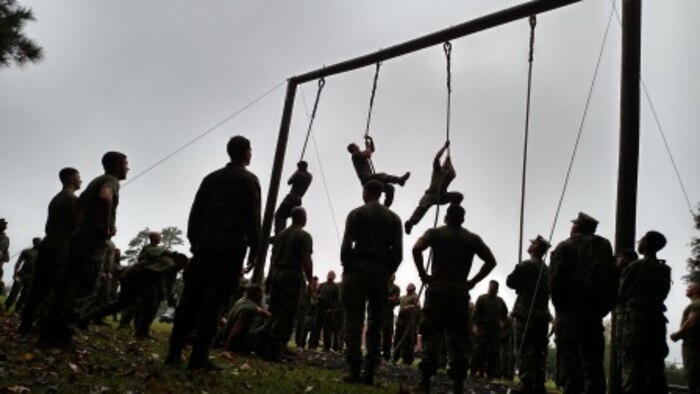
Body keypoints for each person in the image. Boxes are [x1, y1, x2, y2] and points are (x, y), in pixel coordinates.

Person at [166, 136, 260, 371]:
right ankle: (199, 356)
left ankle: (174, 352)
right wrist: (255, 250)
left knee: (190, 298)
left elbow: (195, 214)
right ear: (246, 153)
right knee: (214, 301)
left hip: (205, 245)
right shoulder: (249, 180)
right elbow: (252, 218)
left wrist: (195, 243)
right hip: (230, 248)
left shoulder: (211, 178)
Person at [41, 152, 129, 347]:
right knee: (84, 285)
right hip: (92, 239)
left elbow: (78, 205)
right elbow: (105, 198)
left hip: (79, 236)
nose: (128, 168)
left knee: (67, 284)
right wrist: (104, 226)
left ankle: (47, 334)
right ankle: (63, 336)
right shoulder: (110, 180)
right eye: (125, 164)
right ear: (116, 166)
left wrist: (83, 223)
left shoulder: (94, 181)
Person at [412, 203, 497, 394]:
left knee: (432, 334)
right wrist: (473, 281)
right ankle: (458, 384)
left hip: (438, 289)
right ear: (463, 219)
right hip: (460, 291)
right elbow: (491, 261)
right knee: (458, 339)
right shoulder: (472, 238)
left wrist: (423, 274)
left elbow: (417, 248)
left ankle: (425, 382)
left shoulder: (435, 233)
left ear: (446, 217)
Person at [340, 180, 403, 385]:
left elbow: (347, 244)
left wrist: (347, 267)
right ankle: (370, 372)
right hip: (379, 272)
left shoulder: (356, 213)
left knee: (354, 320)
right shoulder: (393, 218)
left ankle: (354, 368)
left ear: (366, 192)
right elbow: (398, 253)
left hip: (357, 268)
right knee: (376, 322)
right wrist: (387, 271)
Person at [549, 212, 615, 394]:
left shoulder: (565, 246)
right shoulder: (604, 246)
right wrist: (603, 309)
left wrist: (559, 309)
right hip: (594, 314)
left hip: (569, 312)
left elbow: (554, 281)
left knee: (570, 361)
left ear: (576, 227)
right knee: (594, 362)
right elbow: (612, 280)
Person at [19, 168, 82, 334]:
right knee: (56, 287)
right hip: (61, 247)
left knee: (39, 286)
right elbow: (78, 225)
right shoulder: (72, 199)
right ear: (70, 179)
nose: (80, 180)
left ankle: (25, 323)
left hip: (49, 244)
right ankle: (43, 325)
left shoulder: (57, 198)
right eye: (78, 177)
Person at [618, 230, 671, 393]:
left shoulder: (636, 266)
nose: (638, 244)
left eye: (640, 241)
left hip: (636, 325)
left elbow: (622, 293)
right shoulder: (665, 269)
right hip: (657, 323)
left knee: (633, 372)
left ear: (646, 244)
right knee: (655, 371)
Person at [259, 206, 313, 361]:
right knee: (287, 313)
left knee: (274, 311)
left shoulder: (280, 235)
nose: (306, 219)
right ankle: (274, 350)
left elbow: (273, 258)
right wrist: (310, 281)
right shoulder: (304, 236)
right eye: (306, 216)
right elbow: (306, 260)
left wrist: (270, 278)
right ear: (302, 218)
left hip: (277, 274)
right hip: (292, 275)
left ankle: (272, 346)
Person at [506, 235, 551, 394]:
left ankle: (526, 383)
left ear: (536, 247)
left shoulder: (527, 265)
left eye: (532, 243)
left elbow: (510, 282)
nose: (530, 244)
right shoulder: (547, 270)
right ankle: (539, 384)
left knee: (525, 348)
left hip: (526, 313)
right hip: (542, 315)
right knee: (539, 350)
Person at [404, 141, 463, 235]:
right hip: (431, 194)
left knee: (458, 196)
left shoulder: (448, 175)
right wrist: (444, 147)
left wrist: (449, 161)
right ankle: (410, 223)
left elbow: (453, 174)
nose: (445, 165)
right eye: (445, 164)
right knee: (422, 207)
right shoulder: (437, 170)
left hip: (441, 196)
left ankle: (451, 215)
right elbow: (437, 157)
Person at [348, 136, 410, 207]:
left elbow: (371, 150)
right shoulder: (355, 154)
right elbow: (368, 154)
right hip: (367, 179)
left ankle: (385, 207)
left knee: (390, 189)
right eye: (355, 144)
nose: (357, 145)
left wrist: (370, 140)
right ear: (353, 148)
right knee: (382, 175)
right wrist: (367, 146)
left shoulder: (359, 154)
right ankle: (399, 180)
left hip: (370, 181)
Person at [471, 280, 508, 380]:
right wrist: (475, 326)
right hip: (483, 327)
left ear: (497, 289)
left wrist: (502, 323)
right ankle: (477, 371)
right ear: (489, 287)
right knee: (480, 350)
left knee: (494, 352)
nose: (493, 288)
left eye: (495, 286)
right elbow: (475, 314)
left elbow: (505, 313)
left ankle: (490, 373)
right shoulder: (482, 298)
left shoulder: (500, 301)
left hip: (495, 329)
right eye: (492, 286)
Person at [670, 281, 700, 394]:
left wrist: (677, 335)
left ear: (697, 290)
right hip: (693, 347)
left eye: (691, 286)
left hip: (693, 348)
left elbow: (692, 321)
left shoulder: (697, 304)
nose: (687, 287)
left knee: (695, 380)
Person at [222, 284, 269, 354]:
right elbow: (236, 329)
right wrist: (226, 349)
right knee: (269, 326)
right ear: (257, 294)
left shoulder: (241, 300)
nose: (262, 295)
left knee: (260, 322)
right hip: (238, 344)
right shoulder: (249, 309)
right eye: (261, 293)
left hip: (226, 337)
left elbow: (261, 310)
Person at [274, 161, 313, 235]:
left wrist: (296, 172)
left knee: (280, 215)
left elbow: (289, 182)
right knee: (292, 218)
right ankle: (286, 234)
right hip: (298, 199)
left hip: (291, 197)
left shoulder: (298, 174)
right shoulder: (309, 176)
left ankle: (279, 234)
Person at [4, 237, 42, 311]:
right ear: (34, 242)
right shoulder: (26, 251)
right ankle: (7, 306)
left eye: (40, 242)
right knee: (15, 291)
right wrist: (15, 273)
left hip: (32, 276)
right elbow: (18, 262)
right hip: (22, 273)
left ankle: (17, 309)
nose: (39, 243)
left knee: (26, 293)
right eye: (37, 241)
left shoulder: (42, 254)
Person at [308, 270, 340, 351]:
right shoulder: (322, 285)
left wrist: (331, 309)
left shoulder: (335, 287)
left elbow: (336, 300)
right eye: (329, 274)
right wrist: (317, 298)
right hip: (319, 309)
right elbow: (316, 294)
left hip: (328, 311)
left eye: (332, 275)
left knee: (327, 329)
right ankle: (313, 345)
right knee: (316, 328)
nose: (330, 275)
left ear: (334, 277)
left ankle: (326, 347)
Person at [392, 282, 420, 365]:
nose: (408, 286)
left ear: (413, 288)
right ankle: (395, 357)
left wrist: (410, 306)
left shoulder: (415, 296)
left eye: (411, 286)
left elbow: (418, 305)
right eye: (408, 285)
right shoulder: (403, 297)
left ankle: (407, 360)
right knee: (397, 337)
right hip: (400, 319)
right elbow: (396, 302)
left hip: (409, 320)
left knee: (408, 340)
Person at [295, 276, 319, 349]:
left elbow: (317, 301)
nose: (315, 283)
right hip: (305, 311)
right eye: (313, 281)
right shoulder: (307, 290)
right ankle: (300, 343)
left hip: (313, 313)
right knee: (303, 327)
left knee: (313, 329)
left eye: (316, 281)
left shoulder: (317, 291)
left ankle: (310, 345)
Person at [382, 274, 400, 361]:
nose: (392, 277)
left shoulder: (395, 288)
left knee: (387, 333)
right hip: (379, 310)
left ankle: (386, 355)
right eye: (391, 275)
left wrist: (384, 297)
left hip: (388, 312)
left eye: (393, 276)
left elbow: (395, 299)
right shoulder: (382, 285)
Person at [0, 218, 10, 296]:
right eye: (3, 223)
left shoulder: (6, 239)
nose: (5, 225)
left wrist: (6, 256)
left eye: (5, 224)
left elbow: (6, 250)